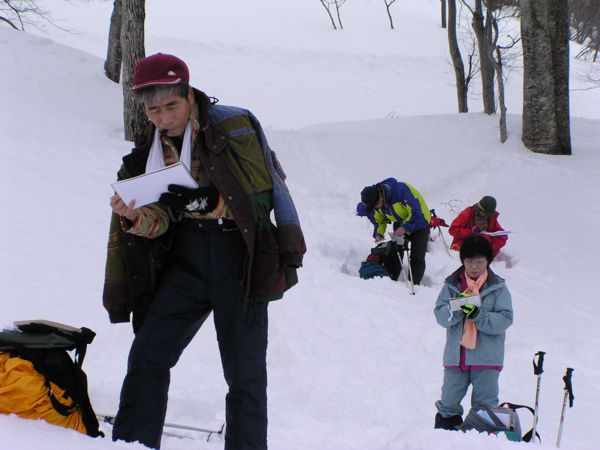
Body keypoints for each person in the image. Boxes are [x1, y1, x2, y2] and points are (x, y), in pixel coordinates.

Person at [102, 53, 306, 450]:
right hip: (185, 263)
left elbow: (258, 198)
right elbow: (161, 219)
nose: (163, 118)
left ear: (189, 94)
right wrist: (135, 216)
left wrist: (208, 201)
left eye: (171, 106)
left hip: (238, 258)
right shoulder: (148, 149)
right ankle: (132, 444)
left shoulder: (233, 125)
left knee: (245, 374)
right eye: (153, 110)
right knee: (148, 356)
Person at [433, 235, 513, 430]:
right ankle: (444, 441)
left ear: (488, 261)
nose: (474, 266)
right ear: (463, 261)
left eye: (479, 261)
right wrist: (457, 308)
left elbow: (505, 319)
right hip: (456, 358)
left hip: (486, 359)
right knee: (448, 405)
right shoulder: (452, 285)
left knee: (484, 408)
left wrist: (480, 316)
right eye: (469, 261)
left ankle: (480, 442)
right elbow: (441, 314)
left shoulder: (498, 288)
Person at [359, 178, 431, 285]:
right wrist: (379, 233)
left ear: (380, 196)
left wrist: (405, 228)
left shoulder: (401, 191)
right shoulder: (377, 203)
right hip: (400, 224)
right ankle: (391, 281)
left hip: (420, 223)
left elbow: (417, 213)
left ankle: (413, 284)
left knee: (416, 256)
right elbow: (379, 220)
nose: (376, 207)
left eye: (376, 204)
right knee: (397, 250)